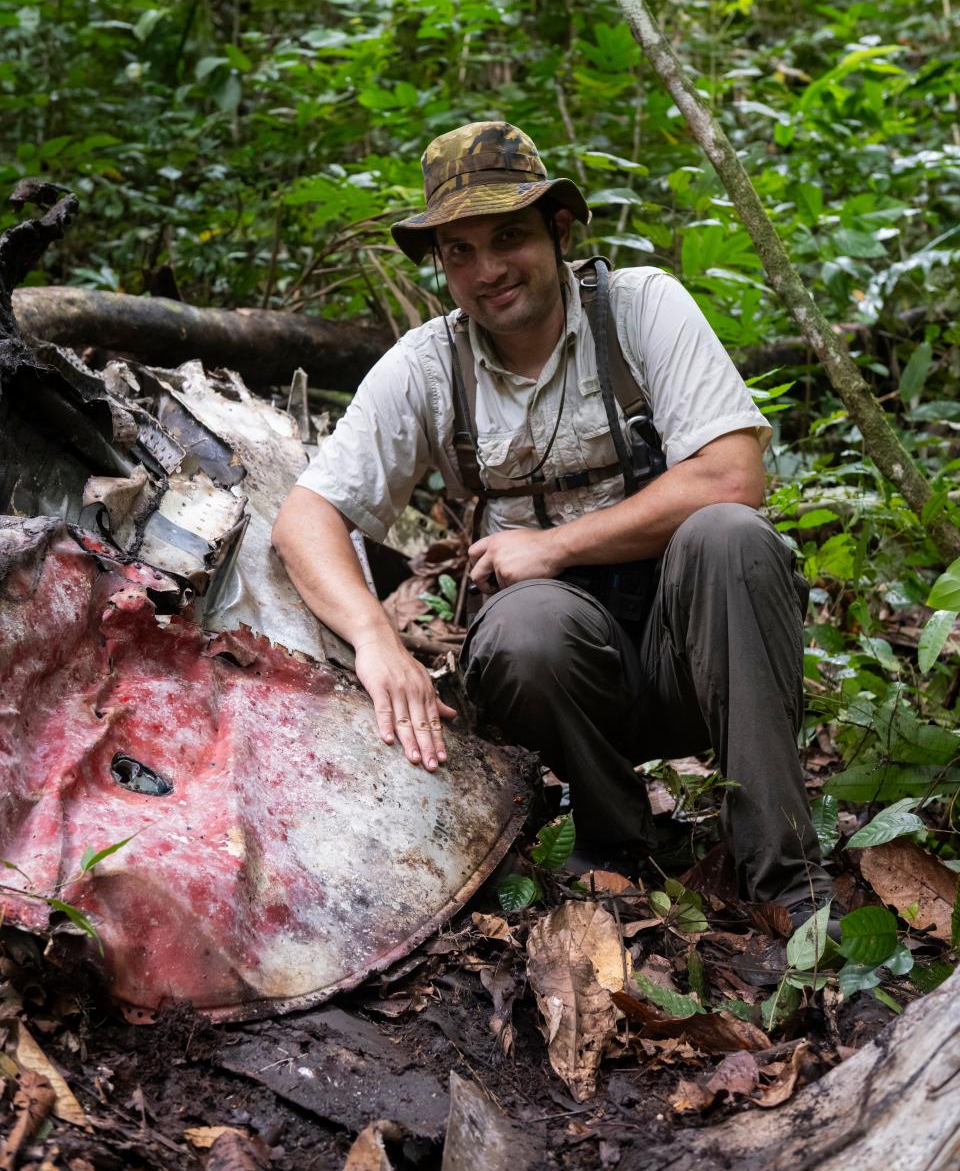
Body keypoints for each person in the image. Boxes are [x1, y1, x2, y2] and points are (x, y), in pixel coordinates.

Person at [273, 121, 834, 920]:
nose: (487, 270)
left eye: (508, 238)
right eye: (458, 252)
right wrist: (375, 641)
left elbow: (732, 475)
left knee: (729, 535)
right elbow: (305, 517)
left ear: (560, 230)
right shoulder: (430, 364)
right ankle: (613, 841)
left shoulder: (641, 307)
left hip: (700, 653)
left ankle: (787, 880)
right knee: (525, 626)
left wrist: (556, 544)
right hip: (559, 676)